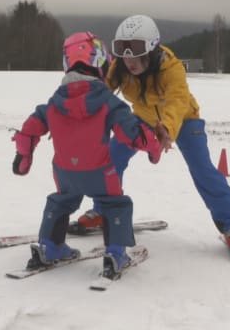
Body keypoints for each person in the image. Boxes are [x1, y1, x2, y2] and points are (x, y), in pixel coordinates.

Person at [73, 15, 230, 259]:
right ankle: (102, 210)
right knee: (111, 157)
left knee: (203, 170)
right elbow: (100, 93)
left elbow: (177, 100)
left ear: (151, 48)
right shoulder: (120, 67)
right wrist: (79, 114)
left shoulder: (171, 68)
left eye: (134, 50)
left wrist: (166, 128)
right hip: (143, 118)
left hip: (184, 120)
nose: (128, 58)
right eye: (122, 49)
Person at [11, 31, 163, 278]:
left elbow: (30, 128)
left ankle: (49, 246)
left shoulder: (54, 102)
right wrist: (154, 149)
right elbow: (133, 132)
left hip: (64, 173)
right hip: (100, 172)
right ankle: (115, 252)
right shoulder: (107, 101)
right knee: (115, 204)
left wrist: (23, 157)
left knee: (61, 201)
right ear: (102, 63)